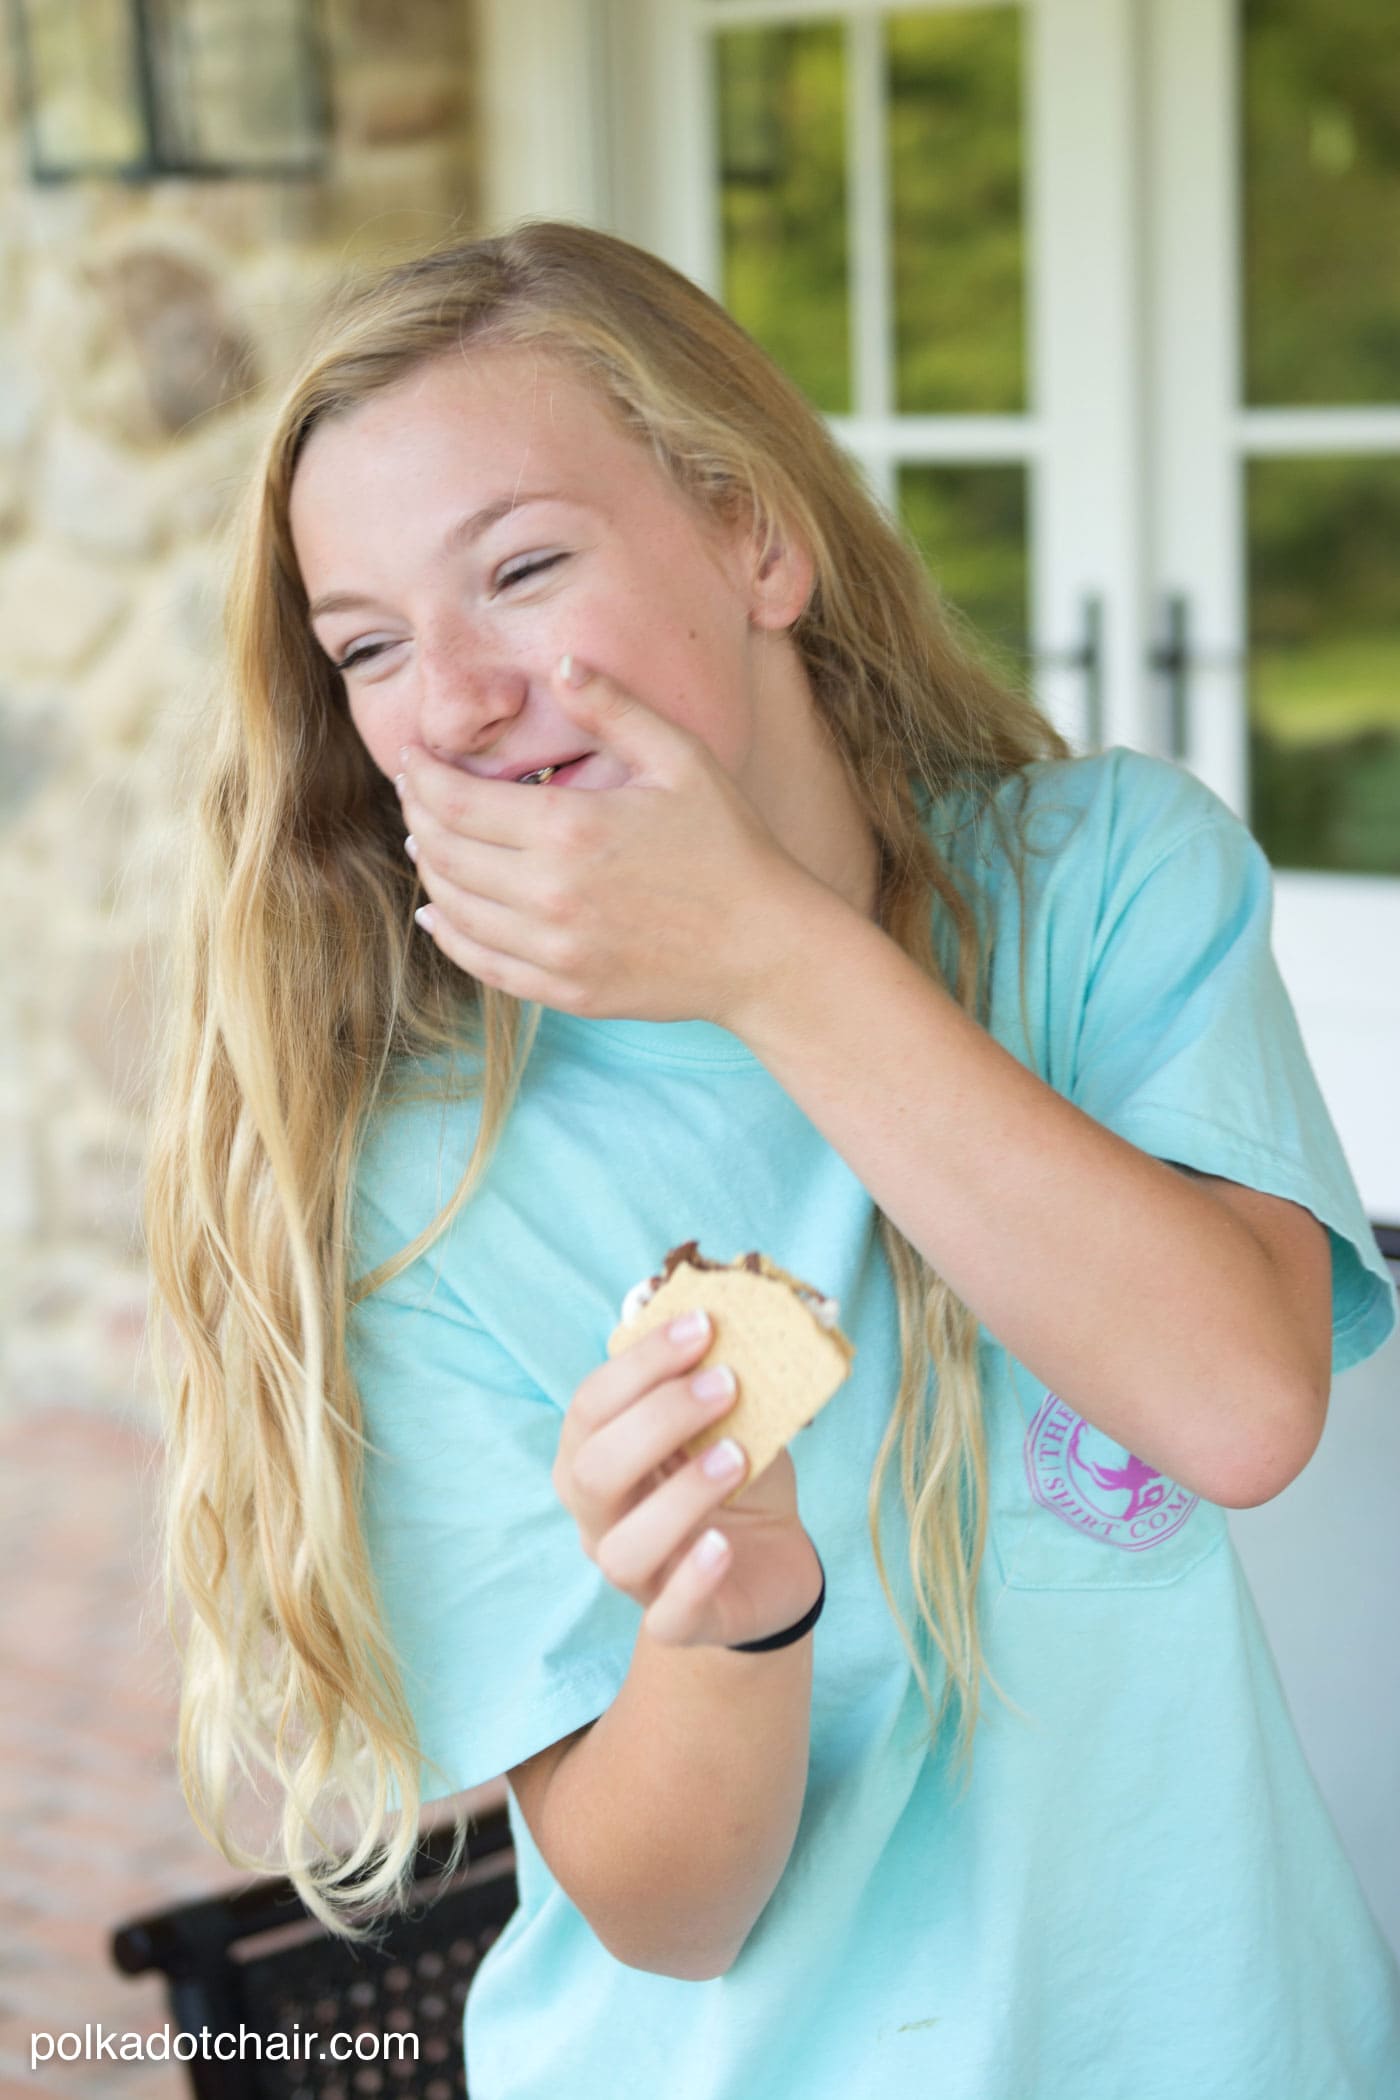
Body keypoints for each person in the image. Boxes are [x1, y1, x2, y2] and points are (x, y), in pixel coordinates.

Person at [144, 221, 1400, 2099]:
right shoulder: (432, 1178)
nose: (459, 693)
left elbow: (1238, 1403)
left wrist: (763, 952)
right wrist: (730, 1623)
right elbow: (670, 1915)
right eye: (374, 648)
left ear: (756, 538)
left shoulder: (1108, 882)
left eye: (525, 568)